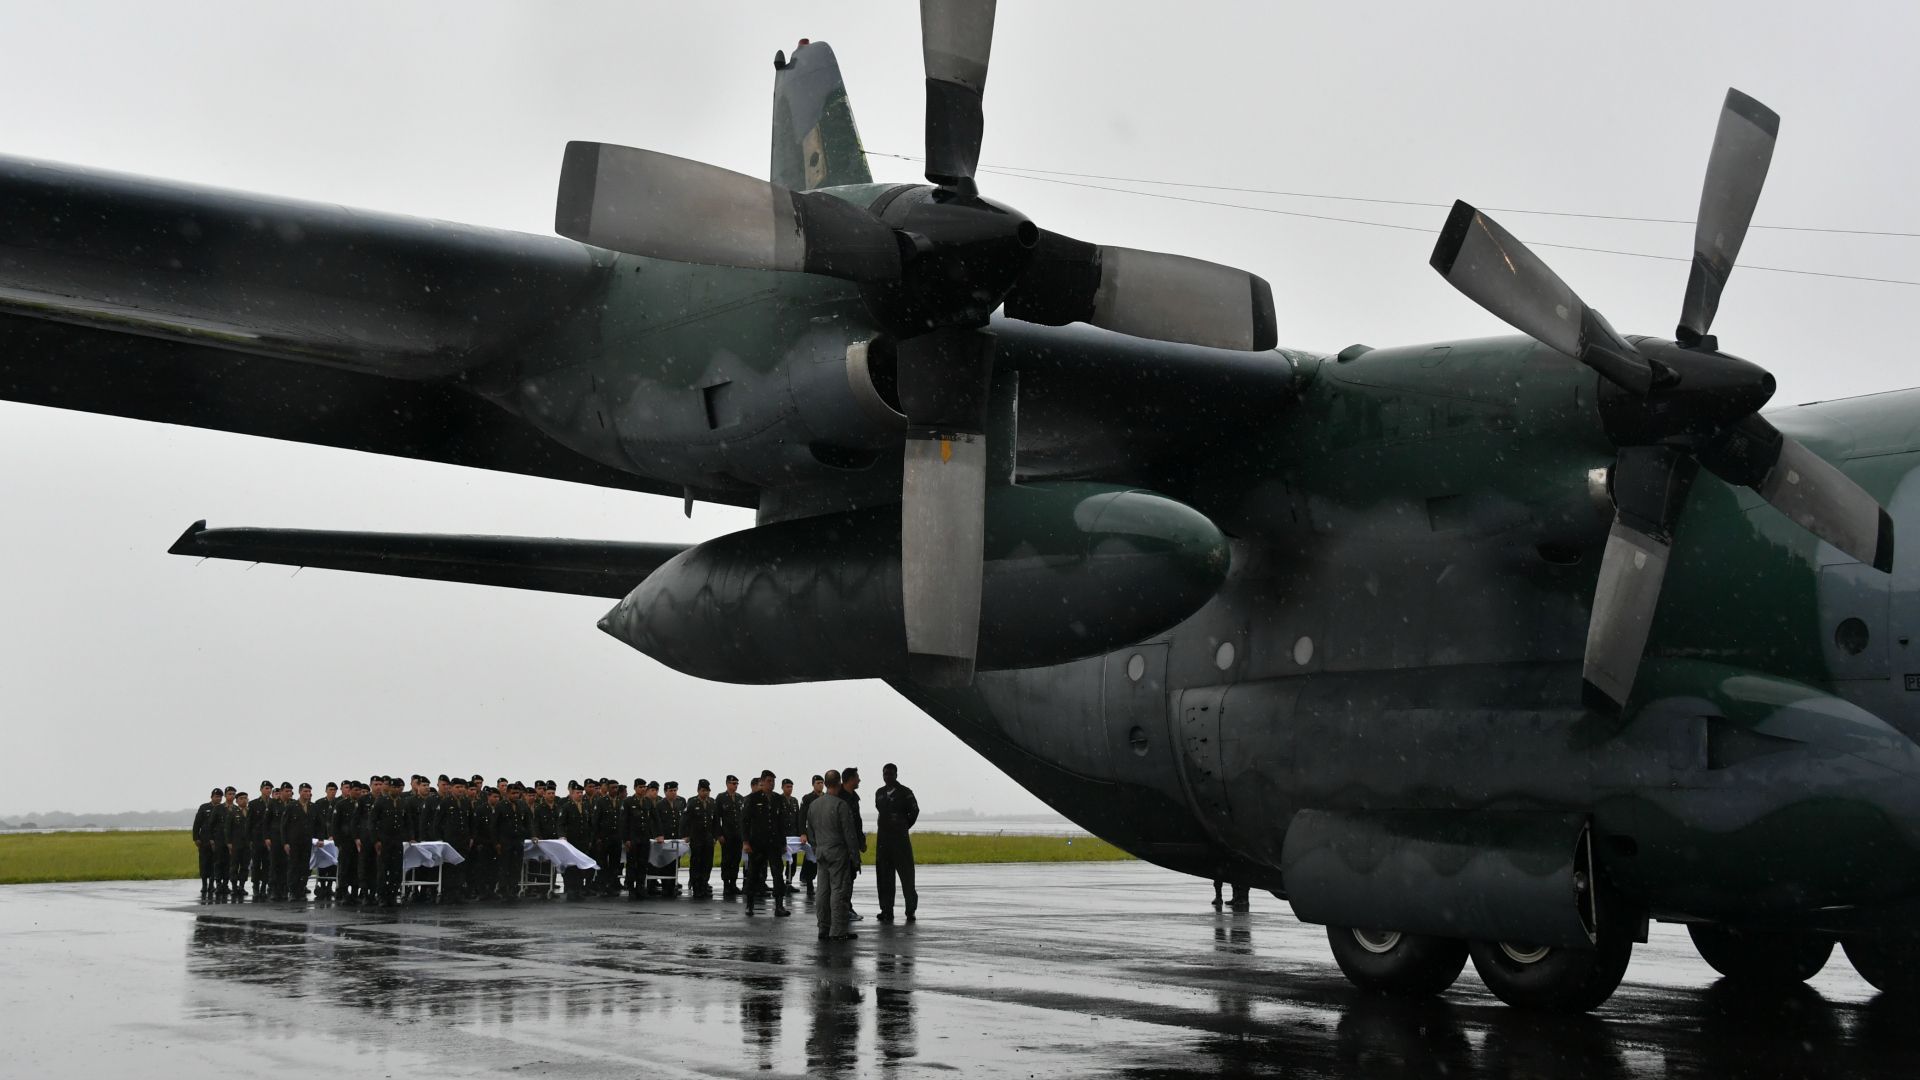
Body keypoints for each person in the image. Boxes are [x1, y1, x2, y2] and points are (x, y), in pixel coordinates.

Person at [806, 769, 864, 941]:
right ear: (838, 783)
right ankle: (838, 930)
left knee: (823, 891)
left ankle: (823, 927)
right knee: (839, 891)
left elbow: (810, 831)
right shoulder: (841, 805)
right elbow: (849, 834)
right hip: (837, 852)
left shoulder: (814, 805)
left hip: (821, 852)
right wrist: (855, 857)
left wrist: (817, 848)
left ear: (825, 783)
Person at [873, 763, 920, 922]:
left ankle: (910, 910)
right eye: (885, 774)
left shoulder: (905, 793)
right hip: (883, 841)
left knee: (907, 876)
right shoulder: (879, 793)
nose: (888, 777)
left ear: (896, 775)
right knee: (884, 877)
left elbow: (914, 811)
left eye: (890, 774)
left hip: (900, 841)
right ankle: (886, 909)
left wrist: (903, 825)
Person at [742, 771, 790, 917]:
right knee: (753, 874)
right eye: (769, 781)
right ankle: (750, 905)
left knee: (777, 874)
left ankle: (779, 906)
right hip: (757, 843)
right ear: (762, 782)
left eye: (773, 781)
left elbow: (781, 822)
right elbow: (745, 821)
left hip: (774, 843)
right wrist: (745, 842)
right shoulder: (753, 798)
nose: (772, 783)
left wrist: (783, 843)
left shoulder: (778, 799)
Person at [684, 779, 719, 898]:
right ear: (698, 790)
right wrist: (686, 835)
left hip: (708, 838)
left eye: (707, 791)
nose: (705, 793)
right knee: (696, 862)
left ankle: (704, 884)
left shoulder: (712, 802)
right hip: (696, 837)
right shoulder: (692, 802)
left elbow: (715, 821)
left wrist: (715, 836)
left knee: (707, 863)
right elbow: (685, 820)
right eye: (703, 791)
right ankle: (696, 886)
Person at [280, 783, 314, 901]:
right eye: (305, 791)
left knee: (305, 867)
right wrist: (285, 842)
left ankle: (301, 889)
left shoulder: (313, 807)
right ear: (300, 792)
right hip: (294, 842)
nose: (307, 794)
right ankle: (293, 892)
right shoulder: (291, 806)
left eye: (309, 791)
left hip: (307, 842)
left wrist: (320, 838)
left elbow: (319, 824)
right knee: (294, 867)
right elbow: (284, 826)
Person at [560, 780, 593, 900]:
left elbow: (589, 824)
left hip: (583, 841)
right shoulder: (567, 807)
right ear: (572, 793)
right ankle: (571, 890)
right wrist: (562, 836)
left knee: (581, 866)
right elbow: (561, 824)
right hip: (571, 841)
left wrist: (590, 839)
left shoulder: (585, 806)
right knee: (571, 867)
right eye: (578, 792)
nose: (580, 795)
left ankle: (578, 889)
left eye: (581, 792)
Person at [841, 766, 865, 920]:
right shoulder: (840, 798)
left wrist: (861, 841)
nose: (859, 780)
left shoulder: (854, 798)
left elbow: (857, 822)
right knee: (844, 879)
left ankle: (847, 907)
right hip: (842, 846)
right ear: (850, 779)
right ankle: (843, 909)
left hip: (853, 844)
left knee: (851, 876)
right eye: (857, 777)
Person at [653, 781, 686, 896]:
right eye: (671, 791)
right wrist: (659, 835)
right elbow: (657, 822)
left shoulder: (679, 804)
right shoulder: (660, 805)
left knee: (675, 863)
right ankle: (666, 886)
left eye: (675, 790)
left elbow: (682, 821)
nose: (673, 793)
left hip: (676, 839)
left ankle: (673, 885)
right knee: (665, 864)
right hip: (665, 839)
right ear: (665, 792)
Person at [715, 774, 745, 898]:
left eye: (737, 783)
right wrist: (719, 834)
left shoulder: (740, 798)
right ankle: (726, 884)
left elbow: (743, 818)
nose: (735, 786)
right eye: (733, 783)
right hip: (727, 835)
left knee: (736, 859)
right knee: (727, 860)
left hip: (738, 835)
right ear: (727, 784)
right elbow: (717, 818)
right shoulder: (721, 798)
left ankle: (733, 883)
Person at [192, 788, 223, 899]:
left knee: (215, 863)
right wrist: (195, 838)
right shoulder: (204, 808)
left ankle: (211, 884)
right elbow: (197, 823)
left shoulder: (222, 808)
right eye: (216, 797)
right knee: (204, 862)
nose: (218, 799)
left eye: (220, 797)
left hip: (218, 840)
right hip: (204, 840)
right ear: (211, 797)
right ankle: (204, 884)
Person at [798, 775, 824, 894]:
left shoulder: (826, 797)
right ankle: (809, 883)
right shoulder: (807, 798)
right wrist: (803, 833)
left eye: (822, 783)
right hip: (812, 832)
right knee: (811, 858)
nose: (820, 785)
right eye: (818, 783)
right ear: (813, 784)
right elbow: (802, 817)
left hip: (824, 832)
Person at [223, 790, 251, 899]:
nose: (244, 800)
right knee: (234, 866)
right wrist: (228, 842)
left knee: (245, 866)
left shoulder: (250, 812)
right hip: (236, 844)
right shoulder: (232, 812)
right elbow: (227, 829)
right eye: (241, 798)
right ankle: (234, 887)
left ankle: (242, 886)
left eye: (245, 798)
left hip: (247, 844)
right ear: (237, 801)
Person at [780, 779, 802, 891]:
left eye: (791, 787)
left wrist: (800, 833)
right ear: (782, 787)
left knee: (792, 860)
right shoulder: (778, 800)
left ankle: (789, 881)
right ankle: (779, 882)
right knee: (780, 859)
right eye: (787, 786)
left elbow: (798, 818)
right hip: (782, 834)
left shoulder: (794, 801)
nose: (790, 789)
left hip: (793, 835)